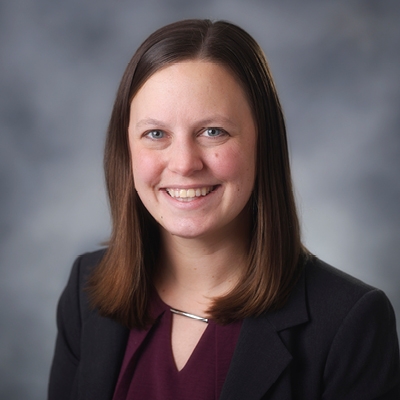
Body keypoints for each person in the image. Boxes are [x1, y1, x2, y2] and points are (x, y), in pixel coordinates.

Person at [48, 19, 400, 400]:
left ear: (262, 143)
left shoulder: (349, 323)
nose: (184, 163)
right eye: (155, 134)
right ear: (126, 151)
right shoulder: (86, 289)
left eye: (213, 131)